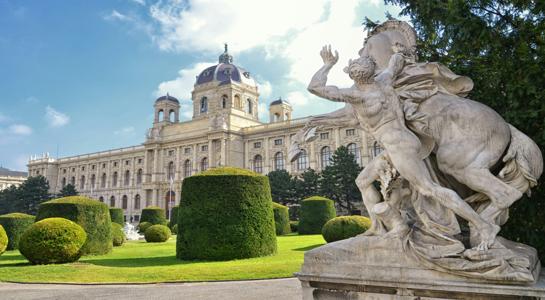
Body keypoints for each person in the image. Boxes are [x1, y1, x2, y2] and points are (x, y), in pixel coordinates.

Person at [307, 45, 499, 250]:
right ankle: (378, 227)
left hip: (398, 147)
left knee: (429, 189)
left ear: (353, 76)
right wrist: (398, 51)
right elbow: (395, 63)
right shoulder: (385, 80)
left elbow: (316, 87)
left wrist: (327, 65)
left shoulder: (358, 97)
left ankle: (484, 226)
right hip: (405, 142)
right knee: (363, 180)